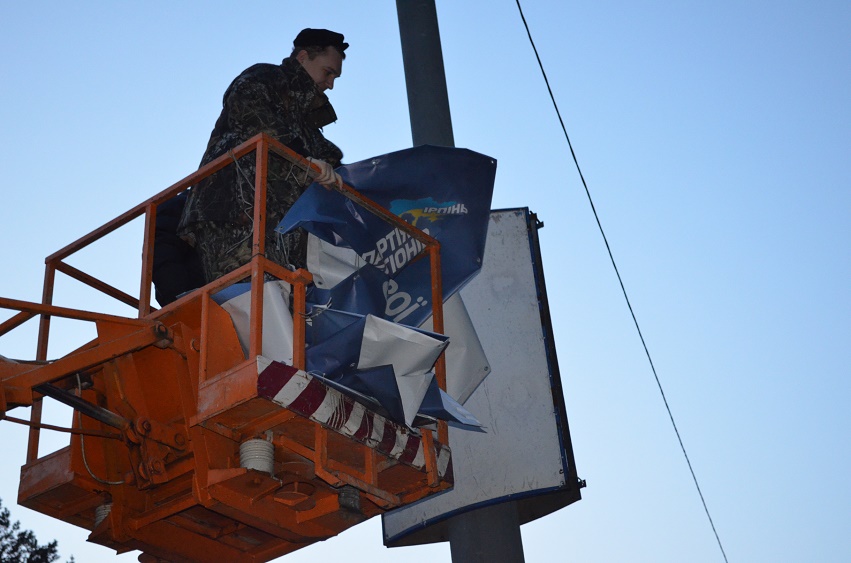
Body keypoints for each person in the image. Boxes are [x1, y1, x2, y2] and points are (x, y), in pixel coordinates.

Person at [177, 28, 348, 284]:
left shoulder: (306, 121)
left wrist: (343, 174)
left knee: (278, 305)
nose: (331, 84)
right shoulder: (264, 78)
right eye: (328, 72)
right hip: (233, 211)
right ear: (303, 57)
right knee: (248, 297)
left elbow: (327, 155)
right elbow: (254, 119)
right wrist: (305, 162)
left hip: (277, 225)